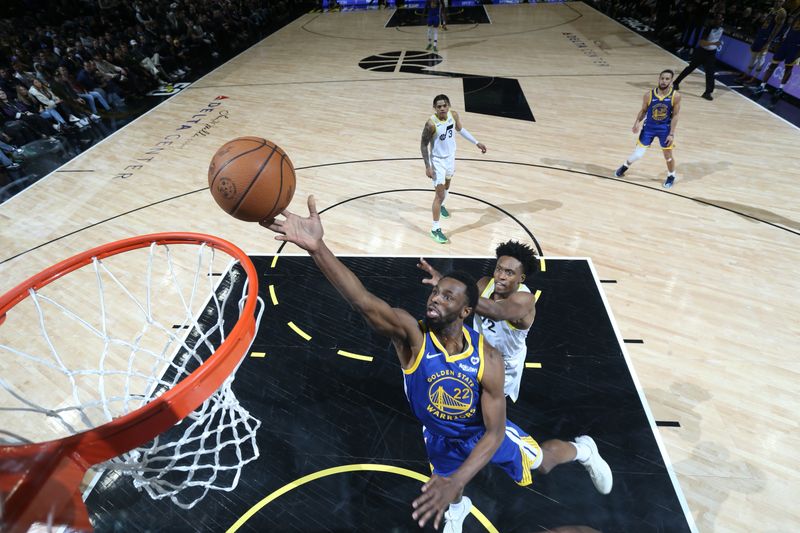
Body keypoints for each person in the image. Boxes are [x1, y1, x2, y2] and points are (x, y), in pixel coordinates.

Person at [265, 196, 613, 533]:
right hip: (439, 433)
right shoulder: (411, 336)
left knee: (541, 465)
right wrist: (317, 248)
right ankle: (459, 505)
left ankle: (583, 449)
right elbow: (363, 302)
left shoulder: (494, 348)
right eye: (436, 292)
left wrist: (458, 479)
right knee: (446, 478)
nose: (435, 297)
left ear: (466, 311)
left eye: (448, 296)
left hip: (482, 423)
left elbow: (493, 433)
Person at [417, 240, 538, 402]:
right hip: (479, 353)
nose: (501, 276)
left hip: (505, 364)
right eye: (499, 269)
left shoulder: (525, 300)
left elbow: (497, 311)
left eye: (509, 273)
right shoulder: (484, 284)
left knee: (490, 403)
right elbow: (463, 304)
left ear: (520, 278)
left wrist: (450, 289)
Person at [420, 94, 487, 244]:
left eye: (444, 105)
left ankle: (443, 205)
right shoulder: (431, 124)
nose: (442, 108)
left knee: (448, 183)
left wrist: (476, 142)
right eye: (439, 106)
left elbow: (460, 130)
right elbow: (423, 145)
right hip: (438, 161)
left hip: (450, 157)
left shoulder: (453, 115)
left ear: (448, 105)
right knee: (439, 195)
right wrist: (427, 166)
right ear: (435, 108)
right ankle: (435, 229)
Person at [614, 70, 681, 189]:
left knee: (668, 156)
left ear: (671, 81)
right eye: (662, 78)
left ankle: (671, 176)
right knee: (638, 154)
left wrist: (671, 134)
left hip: (664, 129)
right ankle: (625, 166)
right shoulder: (648, 95)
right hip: (649, 128)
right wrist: (636, 123)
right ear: (659, 79)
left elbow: (675, 116)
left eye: (667, 79)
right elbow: (643, 110)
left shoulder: (675, 96)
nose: (664, 81)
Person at [672, 12, 724, 101]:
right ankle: (676, 83)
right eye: (718, 19)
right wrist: (714, 43)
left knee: (710, 73)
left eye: (721, 19)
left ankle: (707, 92)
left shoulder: (722, 29)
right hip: (702, 52)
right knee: (691, 68)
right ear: (714, 20)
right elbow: (701, 43)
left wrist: (715, 45)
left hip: (711, 53)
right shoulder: (708, 29)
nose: (721, 20)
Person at [751, 8, 800, 101]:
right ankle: (762, 86)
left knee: (788, 68)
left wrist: (798, 53)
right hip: (785, 43)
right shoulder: (796, 16)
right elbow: (790, 21)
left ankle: (780, 89)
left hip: (796, 47)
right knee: (772, 65)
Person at [739, 0, 787, 85]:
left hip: (767, 37)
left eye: (781, 1)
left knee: (761, 58)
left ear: (783, 2)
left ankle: (754, 78)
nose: (778, 2)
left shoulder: (782, 13)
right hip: (761, 34)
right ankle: (747, 74)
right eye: (777, 0)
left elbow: (777, 28)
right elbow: (765, 22)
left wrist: (769, 40)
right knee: (753, 56)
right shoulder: (771, 9)